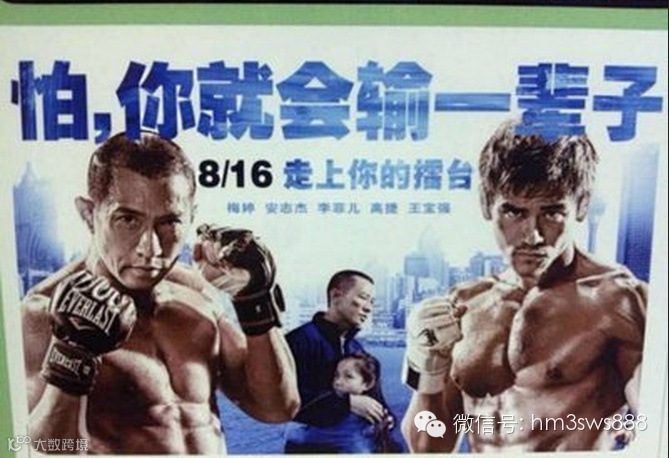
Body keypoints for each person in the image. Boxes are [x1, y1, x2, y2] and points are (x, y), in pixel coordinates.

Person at [21, 131, 299, 454]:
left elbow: (278, 408)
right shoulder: (42, 313)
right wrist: (71, 359)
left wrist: (253, 301)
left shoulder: (194, 292)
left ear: (191, 216)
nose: (150, 248)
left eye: (169, 223)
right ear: (88, 215)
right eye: (128, 219)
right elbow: (41, 448)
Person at [401, 120, 647, 452]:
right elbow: (428, 446)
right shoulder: (464, 303)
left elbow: (658, 428)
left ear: (582, 205)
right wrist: (425, 368)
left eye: (552, 213)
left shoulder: (621, 301)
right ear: (486, 203)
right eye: (514, 212)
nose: (532, 236)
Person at [283, 270, 386, 453]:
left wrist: (384, 418)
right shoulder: (298, 341)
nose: (369, 308)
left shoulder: (356, 348)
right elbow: (281, 403)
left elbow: (373, 396)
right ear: (336, 295)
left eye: (372, 302)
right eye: (363, 298)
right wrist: (345, 404)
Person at [331, 352, 401, 453]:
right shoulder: (330, 404)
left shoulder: (370, 406)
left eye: (348, 377)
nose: (338, 382)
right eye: (336, 376)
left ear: (367, 384)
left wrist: (383, 425)